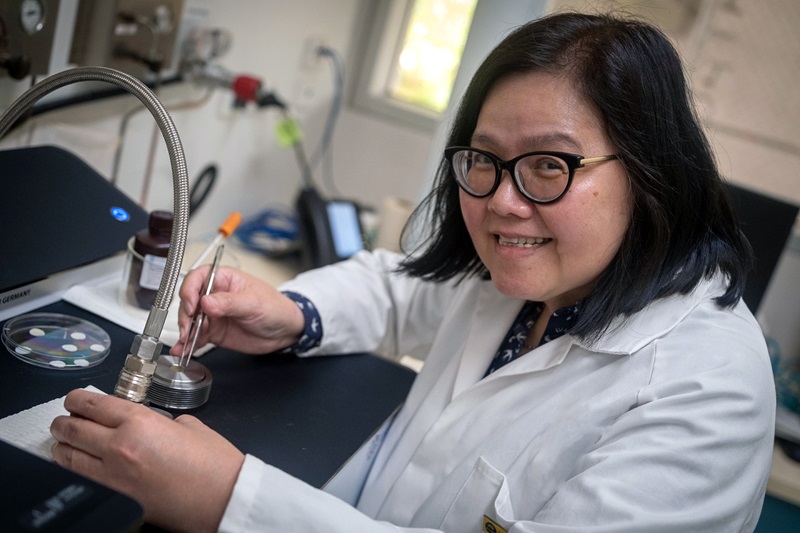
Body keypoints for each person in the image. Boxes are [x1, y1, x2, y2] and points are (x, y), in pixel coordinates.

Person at [50, 11, 776, 532]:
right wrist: (295, 313)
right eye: (484, 161)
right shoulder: (547, 274)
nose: (501, 202)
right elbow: (405, 284)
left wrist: (232, 499)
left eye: (550, 165)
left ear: (650, 173)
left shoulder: (707, 393)